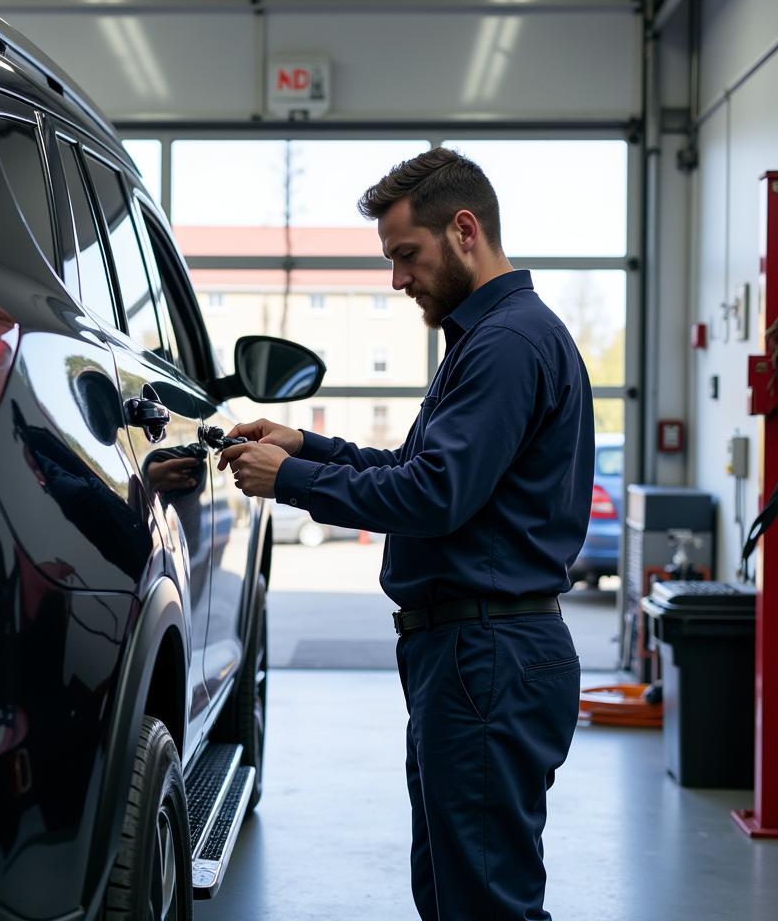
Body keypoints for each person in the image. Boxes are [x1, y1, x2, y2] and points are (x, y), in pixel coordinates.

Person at [216, 147, 594, 920]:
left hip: (485, 656)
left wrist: (289, 482)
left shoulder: (508, 345)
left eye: (405, 256)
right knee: (457, 890)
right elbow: (418, 464)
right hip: (470, 655)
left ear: (464, 231)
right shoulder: (489, 339)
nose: (397, 279)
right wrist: (306, 446)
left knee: (482, 901)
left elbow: (434, 494)